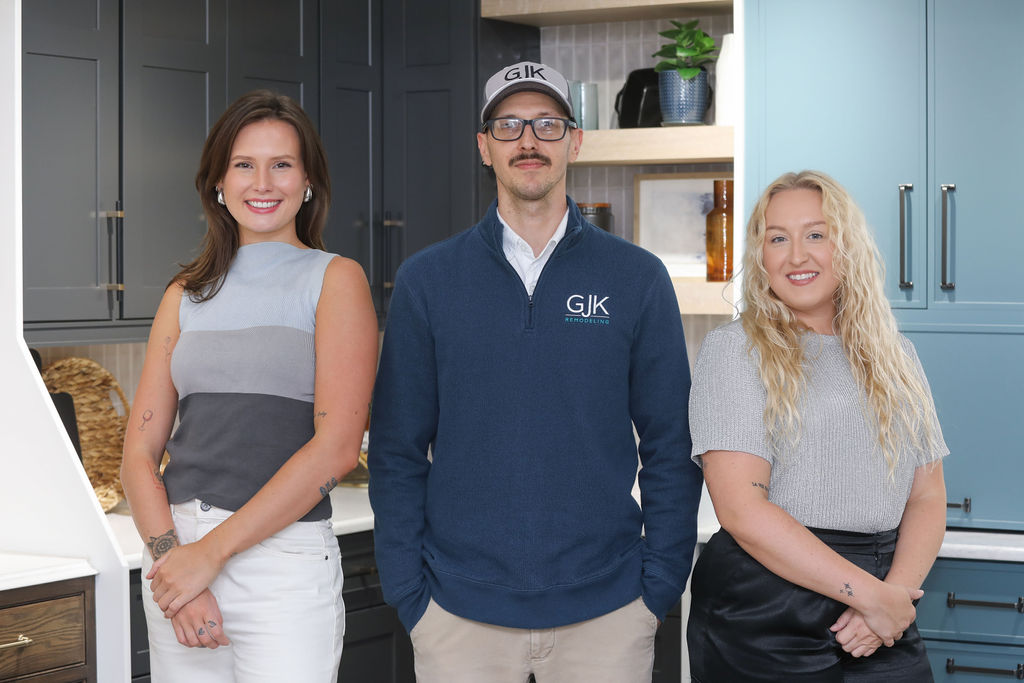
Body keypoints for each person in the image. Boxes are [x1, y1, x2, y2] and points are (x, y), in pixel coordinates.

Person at [367, 61, 703, 683]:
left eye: (547, 124)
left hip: (607, 614)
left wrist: (658, 586)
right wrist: (410, 595)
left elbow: (671, 444)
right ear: (484, 147)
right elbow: (396, 449)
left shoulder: (635, 278)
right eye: (509, 125)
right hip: (457, 618)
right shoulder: (427, 281)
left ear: (574, 142)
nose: (529, 141)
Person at [120, 90, 378, 682]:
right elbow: (138, 453)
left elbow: (337, 448)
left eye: (281, 164)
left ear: (308, 180)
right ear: (218, 181)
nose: (263, 182)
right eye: (244, 164)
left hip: (280, 565)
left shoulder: (335, 281)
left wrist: (209, 556)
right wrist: (175, 566)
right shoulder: (184, 293)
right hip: (176, 555)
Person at [686, 170, 948, 681]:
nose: (796, 256)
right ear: (761, 257)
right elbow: (742, 510)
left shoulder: (897, 356)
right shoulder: (735, 350)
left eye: (816, 235)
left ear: (847, 247)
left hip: (882, 595)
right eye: (777, 238)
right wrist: (875, 598)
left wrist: (890, 599)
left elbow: (927, 494)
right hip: (766, 606)